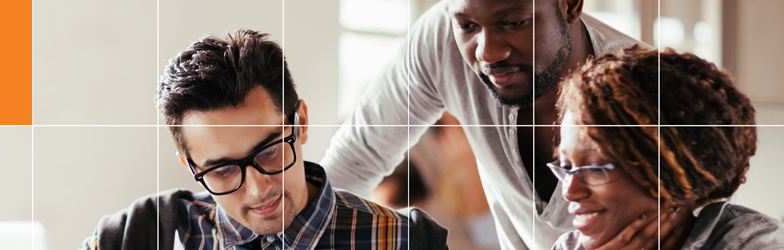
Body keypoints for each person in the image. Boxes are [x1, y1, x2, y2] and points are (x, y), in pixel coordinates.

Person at [321, 0, 669, 248]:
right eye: (468, 26)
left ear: (570, 4)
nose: (487, 53)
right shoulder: (442, 42)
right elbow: (352, 162)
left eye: (513, 22)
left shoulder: (655, 101)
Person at [80, 29, 448, 250]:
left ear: (300, 122)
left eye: (270, 151)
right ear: (190, 166)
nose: (258, 190)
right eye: (223, 170)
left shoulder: (406, 241)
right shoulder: (137, 236)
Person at [550, 47, 784, 249]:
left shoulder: (753, 244)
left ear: (667, 170)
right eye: (566, 166)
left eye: (595, 168)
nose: (569, 192)